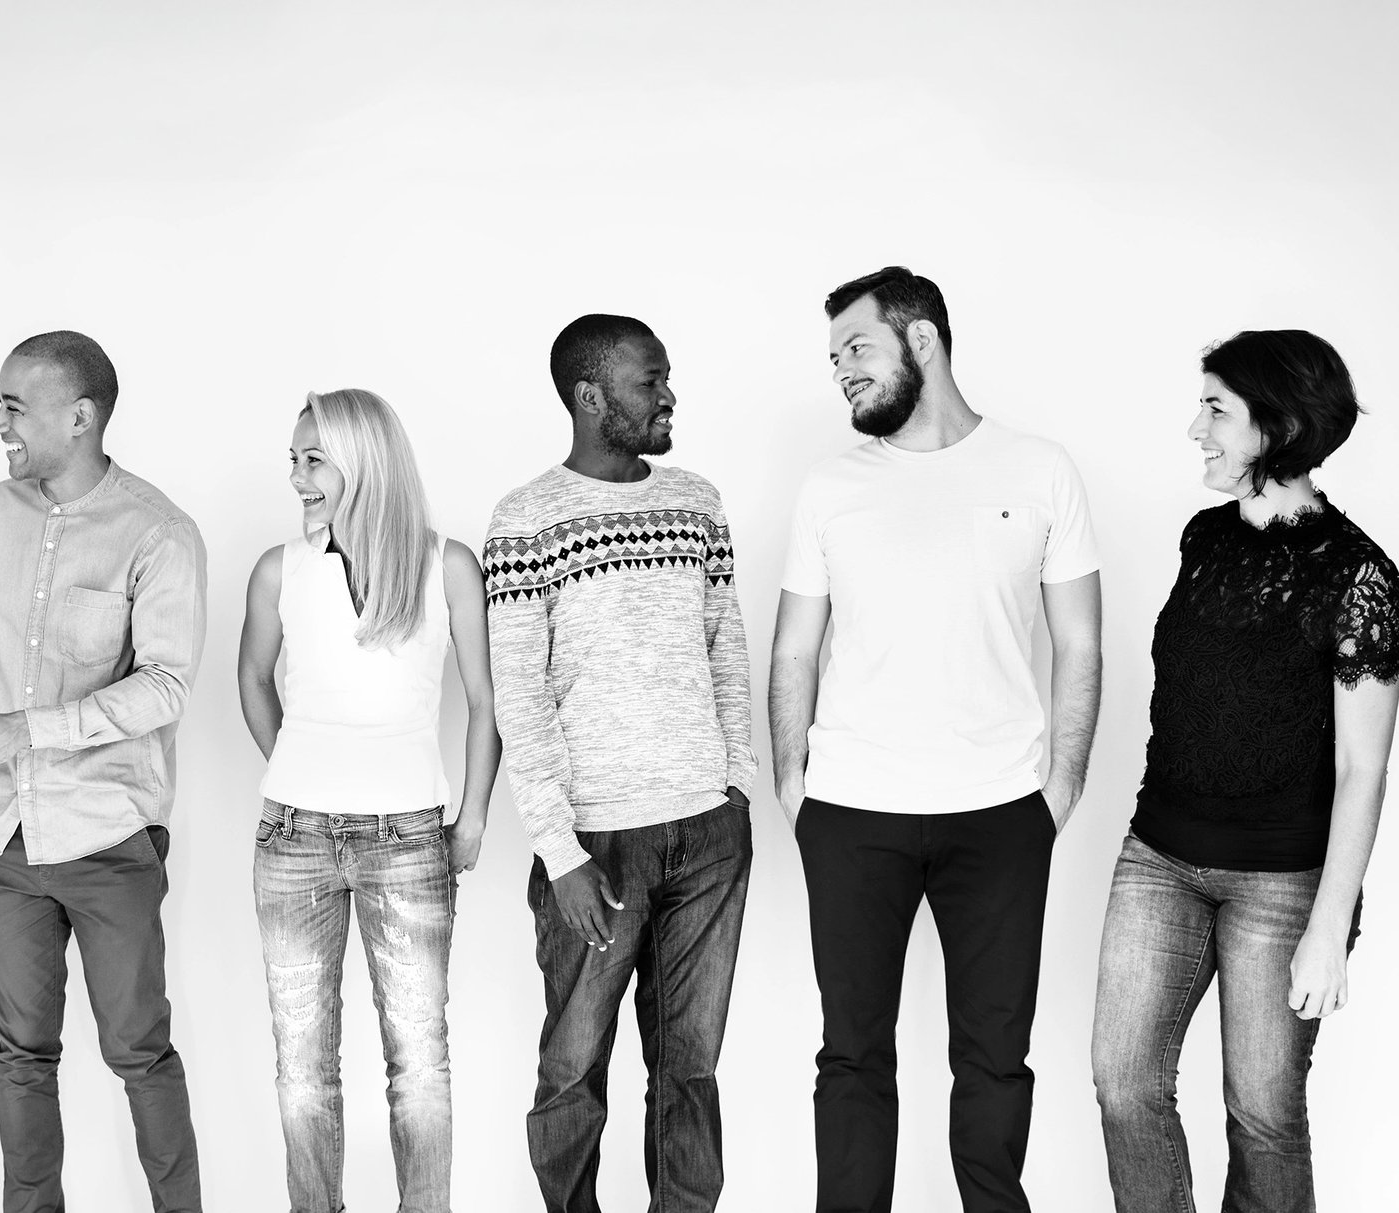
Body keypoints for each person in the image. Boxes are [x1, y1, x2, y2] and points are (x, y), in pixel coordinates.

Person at [769, 266, 1102, 1213]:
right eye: (834, 358)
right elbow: (796, 647)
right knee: (854, 1056)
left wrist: (1062, 785)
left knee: (996, 1060)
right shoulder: (832, 486)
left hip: (1000, 813)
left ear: (922, 340)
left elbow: (1079, 641)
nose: (842, 372)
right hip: (850, 810)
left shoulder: (1040, 470)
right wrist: (797, 787)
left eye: (857, 349)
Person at [1091, 331, 1398, 1213]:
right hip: (1158, 858)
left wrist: (1330, 922)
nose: (1196, 428)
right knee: (1125, 1085)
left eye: (1216, 407)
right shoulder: (1204, 538)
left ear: (1282, 424)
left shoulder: (1361, 577)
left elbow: (1363, 766)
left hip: (1285, 883)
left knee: (1262, 1114)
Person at [485, 314, 756, 1213]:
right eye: (651, 381)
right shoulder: (526, 519)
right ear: (590, 396)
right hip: (595, 844)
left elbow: (726, 650)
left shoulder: (697, 501)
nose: (669, 394)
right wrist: (559, 852)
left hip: (707, 833)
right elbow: (517, 696)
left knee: (691, 1069)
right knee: (572, 1070)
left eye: (668, 376)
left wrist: (738, 789)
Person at [0, 331, 206, 1213]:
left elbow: (165, 685)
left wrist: (25, 731)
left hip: (106, 832)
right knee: (22, 1052)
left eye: (14, 406)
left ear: (80, 415)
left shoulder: (158, 531)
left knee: (138, 1050)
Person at [237, 388, 502, 1213]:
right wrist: (299, 766)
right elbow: (250, 677)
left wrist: (474, 818)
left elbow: (486, 704)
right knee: (303, 1069)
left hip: (410, 838)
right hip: (294, 837)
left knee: (419, 1061)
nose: (297, 478)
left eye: (313, 459)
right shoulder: (280, 567)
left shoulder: (447, 563)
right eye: (294, 459)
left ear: (364, 459)